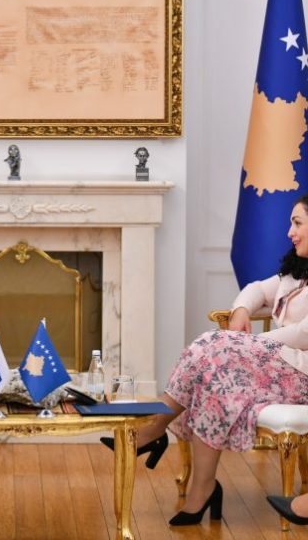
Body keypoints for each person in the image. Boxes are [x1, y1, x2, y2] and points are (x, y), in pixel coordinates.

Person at [101, 193, 308, 526]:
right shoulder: (296, 273)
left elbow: (303, 334)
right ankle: (202, 487)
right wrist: (241, 310)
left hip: (300, 376)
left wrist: (250, 344)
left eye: (297, 223)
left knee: (212, 344)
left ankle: (155, 428)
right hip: (273, 366)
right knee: (214, 376)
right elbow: (256, 289)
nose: (289, 232)